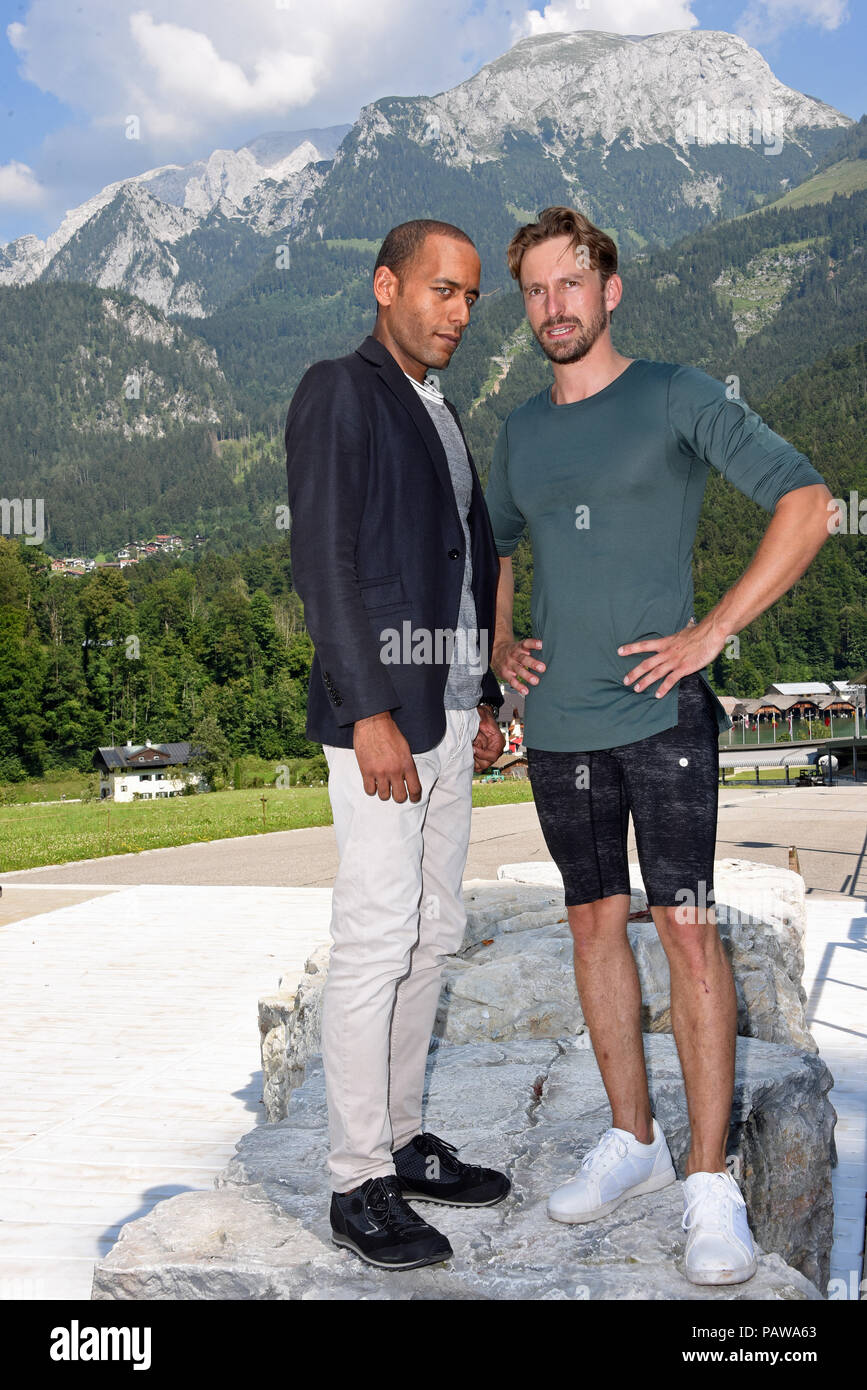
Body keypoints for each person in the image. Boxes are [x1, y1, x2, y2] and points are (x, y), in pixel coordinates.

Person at [485, 205, 831, 1286]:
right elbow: (492, 543)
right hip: (560, 726)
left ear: (610, 289)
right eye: (536, 290)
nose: (554, 306)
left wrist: (712, 633)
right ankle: (631, 1141)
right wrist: (500, 642)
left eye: (571, 284)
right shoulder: (520, 432)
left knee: (685, 931)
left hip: (664, 711)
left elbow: (810, 502)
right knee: (592, 926)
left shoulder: (678, 393)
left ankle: (709, 1180)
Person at [285, 218, 508, 1272]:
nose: (459, 312)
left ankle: (405, 1139)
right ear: (387, 287)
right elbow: (324, 561)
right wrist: (366, 706)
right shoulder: (341, 388)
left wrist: (488, 694)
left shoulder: (439, 405)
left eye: (470, 296)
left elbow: (464, 561)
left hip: (451, 709)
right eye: (441, 291)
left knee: (433, 931)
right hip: (382, 718)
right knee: (378, 934)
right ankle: (354, 1180)